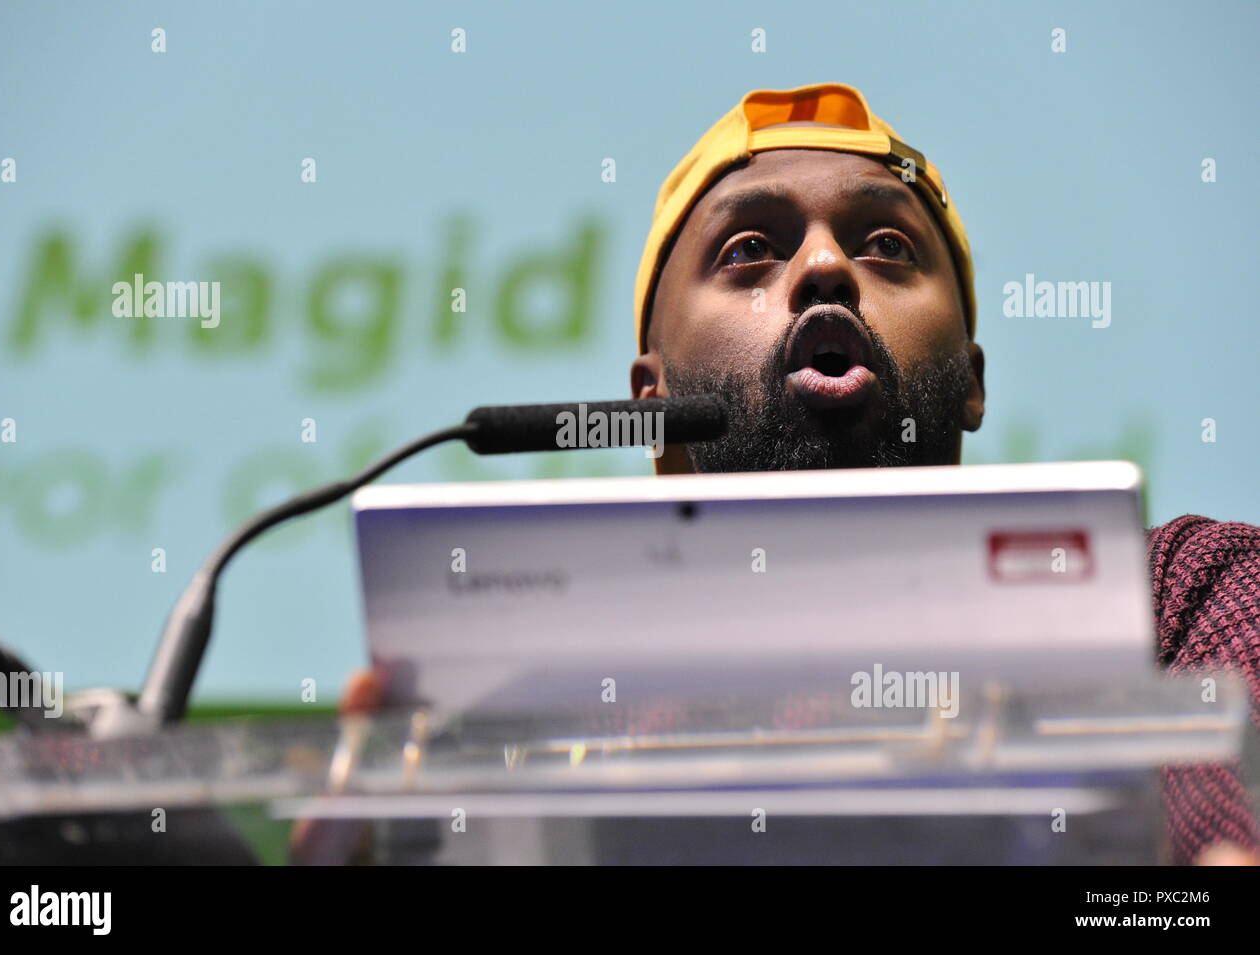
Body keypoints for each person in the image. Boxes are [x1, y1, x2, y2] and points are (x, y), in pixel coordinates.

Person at [306, 82, 1258, 866]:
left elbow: (1227, 826)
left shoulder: (1177, 589)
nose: (826, 266)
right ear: (650, 401)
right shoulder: (526, 686)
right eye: (749, 250)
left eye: (887, 246)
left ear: (969, 381)